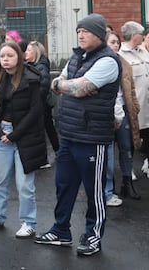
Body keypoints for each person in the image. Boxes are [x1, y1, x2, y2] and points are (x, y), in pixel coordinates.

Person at [35, 13, 120, 257]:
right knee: (64, 185)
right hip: (70, 135)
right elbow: (62, 81)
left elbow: (80, 88)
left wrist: (71, 86)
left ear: (100, 35)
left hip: (92, 138)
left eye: (87, 31)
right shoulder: (76, 57)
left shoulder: (108, 61)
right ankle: (61, 231)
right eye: (78, 31)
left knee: (94, 192)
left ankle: (93, 237)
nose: (81, 35)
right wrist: (69, 85)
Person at [0, 42, 46, 238]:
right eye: (2, 56)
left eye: (10, 55)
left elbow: (36, 111)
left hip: (25, 136)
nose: (6, 60)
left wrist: (13, 135)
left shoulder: (31, 79)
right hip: (2, 134)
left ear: (19, 57)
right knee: (0, 179)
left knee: (24, 183)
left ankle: (29, 222)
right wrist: (0, 131)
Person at [109, 32, 141, 200]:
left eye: (117, 43)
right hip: (107, 112)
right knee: (107, 151)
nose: (116, 45)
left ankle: (127, 184)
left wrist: (135, 107)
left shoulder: (125, 64)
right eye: (112, 42)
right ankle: (109, 187)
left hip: (124, 108)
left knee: (127, 147)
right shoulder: (100, 63)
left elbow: (131, 90)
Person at [117, 21, 149, 180]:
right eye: (141, 33)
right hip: (135, 106)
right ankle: (128, 169)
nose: (143, 36)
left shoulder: (143, 51)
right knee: (129, 140)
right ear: (133, 35)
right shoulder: (121, 54)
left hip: (148, 104)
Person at [23, 41, 59, 165]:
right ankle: (56, 151)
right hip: (41, 104)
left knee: (43, 130)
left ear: (35, 52)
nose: (25, 53)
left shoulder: (40, 66)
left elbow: (43, 86)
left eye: (28, 50)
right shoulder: (32, 65)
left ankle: (44, 159)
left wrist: (35, 101)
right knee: (47, 128)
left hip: (41, 104)